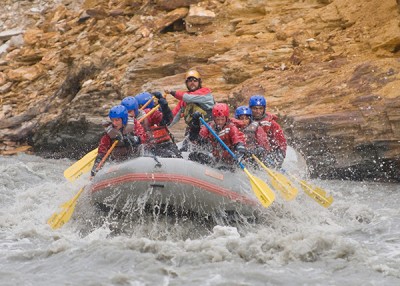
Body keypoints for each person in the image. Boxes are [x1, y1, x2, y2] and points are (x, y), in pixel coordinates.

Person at [91, 105, 147, 177]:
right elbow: (102, 151)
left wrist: (134, 139)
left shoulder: (134, 124)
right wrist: (95, 169)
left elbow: (143, 137)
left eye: (117, 120)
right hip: (119, 161)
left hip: (136, 157)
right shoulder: (110, 132)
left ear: (123, 119)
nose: (114, 123)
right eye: (113, 120)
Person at [165, 70, 215, 151]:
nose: (192, 83)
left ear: (199, 82)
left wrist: (172, 92)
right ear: (186, 83)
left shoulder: (205, 93)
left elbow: (189, 97)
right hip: (193, 133)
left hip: (209, 130)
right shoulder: (184, 101)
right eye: (189, 81)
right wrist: (162, 124)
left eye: (195, 80)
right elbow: (172, 118)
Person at [188, 103, 246, 170]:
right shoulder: (209, 126)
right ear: (214, 118)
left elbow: (238, 140)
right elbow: (196, 140)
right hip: (216, 159)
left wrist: (239, 152)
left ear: (226, 118)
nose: (220, 122)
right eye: (217, 119)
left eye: (222, 119)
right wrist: (195, 126)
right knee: (193, 155)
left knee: (222, 168)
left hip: (230, 161)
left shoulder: (231, 127)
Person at [133, 91, 182, 158]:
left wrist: (165, 108)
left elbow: (167, 120)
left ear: (141, 105)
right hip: (152, 148)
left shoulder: (152, 113)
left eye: (138, 106)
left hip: (163, 146)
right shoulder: (137, 117)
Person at [248, 95, 287, 168]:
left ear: (264, 109)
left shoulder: (271, 123)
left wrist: (281, 154)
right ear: (250, 109)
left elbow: (281, 141)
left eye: (260, 108)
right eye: (255, 109)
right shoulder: (246, 121)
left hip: (269, 153)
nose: (258, 111)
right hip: (253, 152)